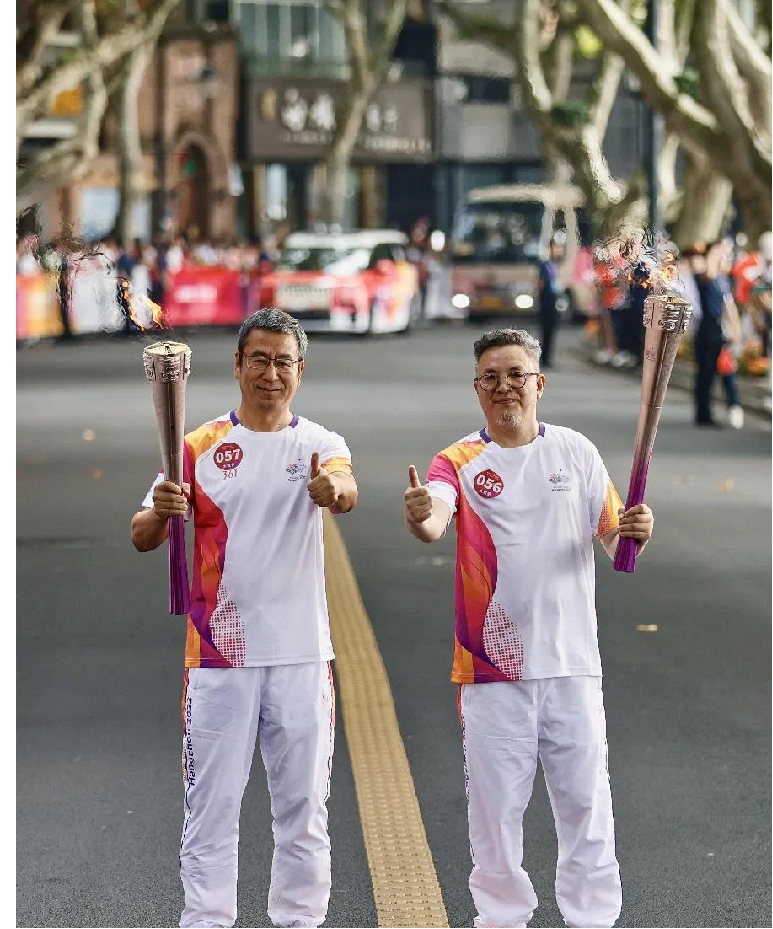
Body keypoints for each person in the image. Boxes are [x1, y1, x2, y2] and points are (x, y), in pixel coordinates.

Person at [403, 327, 654, 929]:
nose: (504, 387)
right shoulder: (457, 461)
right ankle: (501, 919)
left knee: (587, 807)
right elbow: (434, 517)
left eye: (516, 375)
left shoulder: (576, 451)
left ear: (538, 384)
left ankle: (592, 918)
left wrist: (635, 531)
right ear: (476, 389)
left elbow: (615, 538)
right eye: (490, 378)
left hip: (571, 666)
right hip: (491, 671)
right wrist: (422, 515)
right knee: (494, 816)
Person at [130, 308, 358, 929]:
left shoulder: (320, 444)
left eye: (283, 361)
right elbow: (142, 533)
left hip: (300, 655)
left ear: (300, 372)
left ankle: (299, 920)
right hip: (217, 657)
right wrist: (162, 509)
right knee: (211, 805)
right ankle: (206, 920)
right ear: (237, 365)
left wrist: (330, 492)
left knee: (305, 809)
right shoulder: (196, 447)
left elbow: (345, 487)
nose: (270, 372)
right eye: (259, 358)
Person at [537, 234, 566, 368]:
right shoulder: (545, 265)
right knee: (545, 331)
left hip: (555, 301)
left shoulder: (558, 265)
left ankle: (548, 357)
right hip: (546, 302)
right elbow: (540, 284)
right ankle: (544, 358)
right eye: (556, 247)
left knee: (552, 331)